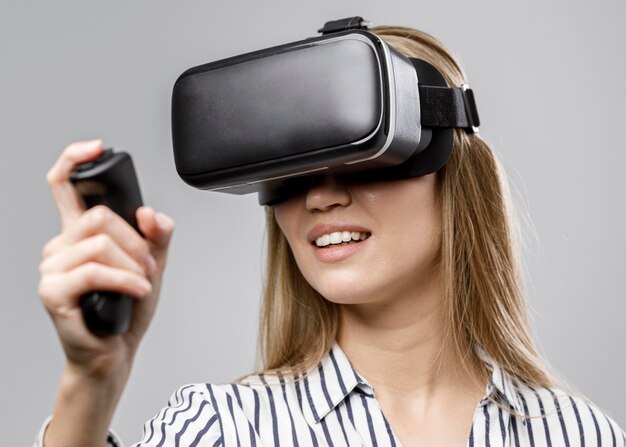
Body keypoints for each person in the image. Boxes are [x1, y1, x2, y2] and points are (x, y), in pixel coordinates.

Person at [35, 25, 625, 447]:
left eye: (366, 154)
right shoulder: (223, 429)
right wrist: (91, 381)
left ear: (449, 166)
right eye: (292, 173)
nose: (320, 196)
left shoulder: (579, 434)